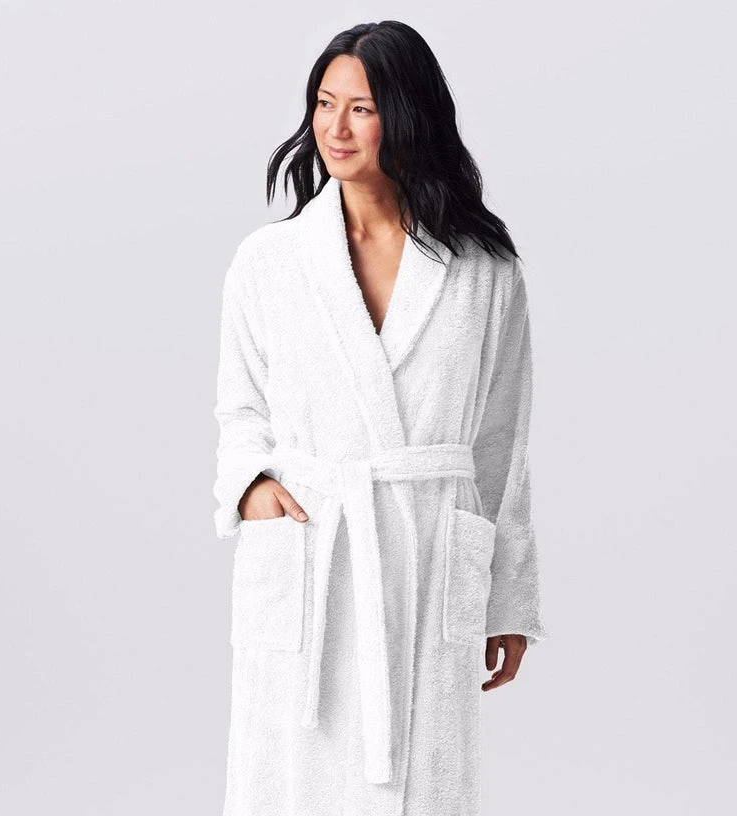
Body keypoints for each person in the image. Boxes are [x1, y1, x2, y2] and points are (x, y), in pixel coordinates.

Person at [212, 19, 548, 816]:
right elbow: (239, 405)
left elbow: (502, 439)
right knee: (291, 782)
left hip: (427, 554)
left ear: (407, 115)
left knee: (426, 784)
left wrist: (507, 596)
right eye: (324, 104)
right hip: (313, 552)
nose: (335, 127)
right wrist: (252, 486)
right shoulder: (269, 262)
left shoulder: (483, 269)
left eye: (361, 108)